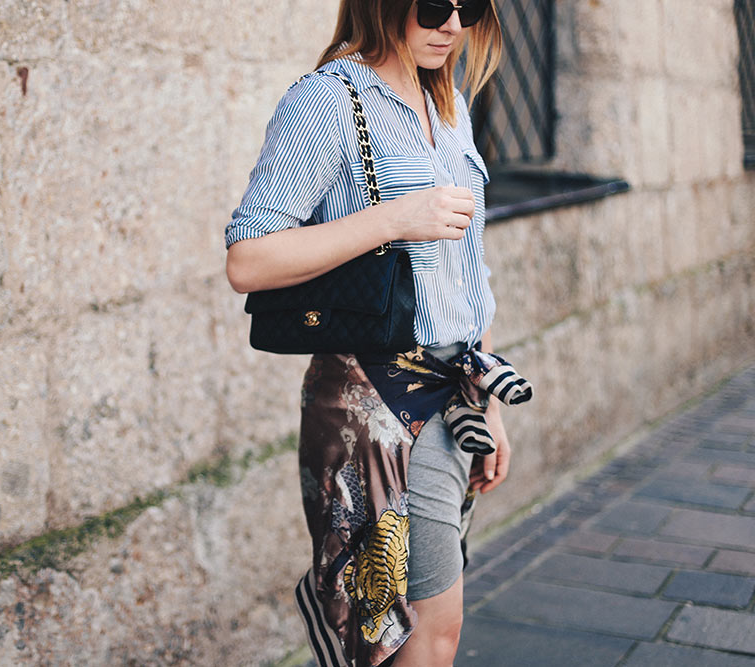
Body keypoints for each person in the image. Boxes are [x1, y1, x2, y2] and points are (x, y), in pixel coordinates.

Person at [224, 1, 524, 665]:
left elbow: (468, 273)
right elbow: (249, 258)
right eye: (433, 5)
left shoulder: (447, 105)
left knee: (434, 633)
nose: (452, 24)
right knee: (407, 640)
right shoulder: (328, 100)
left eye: (468, 6)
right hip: (375, 406)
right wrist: (393, 219)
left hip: (452, 396)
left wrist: (490, 406)